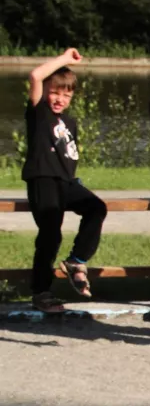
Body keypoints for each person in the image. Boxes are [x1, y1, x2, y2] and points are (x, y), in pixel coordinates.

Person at [22, 48, 107, 315]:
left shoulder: (69, 122)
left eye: (66, 95)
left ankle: (76, 260)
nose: (60, 99)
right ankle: (41, 292)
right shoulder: (39, 113)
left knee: (96, 208)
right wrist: (65, 59)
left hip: (66, 182)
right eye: (55, 92)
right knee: (50, 233)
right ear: (46, 92)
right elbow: (36, 75)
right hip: (43, 178)